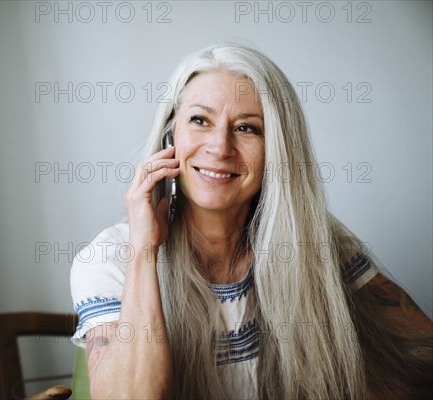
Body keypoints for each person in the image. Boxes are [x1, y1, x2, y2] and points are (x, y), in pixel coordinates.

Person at [69, 43, 433, 399]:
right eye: (199, 120)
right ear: (170, 137)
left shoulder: (314, 241)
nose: (220, 147)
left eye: (247, 128)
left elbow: (423, 347)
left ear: (278, 150)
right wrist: (144, 251)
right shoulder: (109, 257)